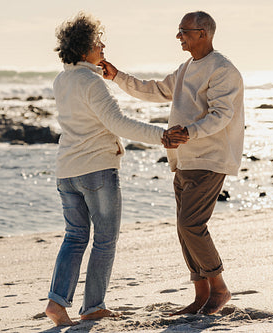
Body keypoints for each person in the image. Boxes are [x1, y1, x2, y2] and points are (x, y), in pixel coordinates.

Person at [45, 12, 188, 326]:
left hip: (66, 170)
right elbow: (118, 123)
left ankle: (57, 303)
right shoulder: (92, 83)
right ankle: (93, 306)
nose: (103, 46)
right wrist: (163, 137)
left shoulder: (62, 79)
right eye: (98, 42)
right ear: (85, 49)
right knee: (105, 239)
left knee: (75, 237)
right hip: (96, 169)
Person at [100, 11, 244, 315]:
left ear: (203, 33)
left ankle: (219, 288)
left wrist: (189, 132)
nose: (179, 36)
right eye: (179, 31)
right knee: (184, 229)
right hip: (183, 159)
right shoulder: (187, 67)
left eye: (184, 31)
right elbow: (156, 90)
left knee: (191, 224)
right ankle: (201, 295)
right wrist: (117, 77)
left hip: (210, 158)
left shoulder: (223, 70)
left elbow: (221, 115)